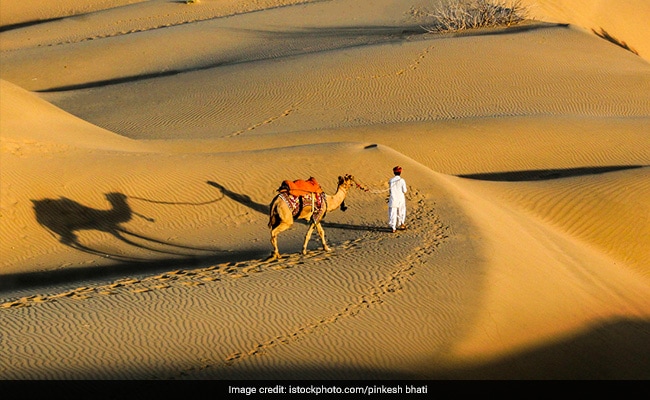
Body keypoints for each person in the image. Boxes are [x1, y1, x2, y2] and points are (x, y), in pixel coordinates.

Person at [388, 166, 407, 233]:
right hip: (400, 199)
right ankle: (401, 224)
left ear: (394, 172)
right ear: (400, 172)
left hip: (393, 198)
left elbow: (390, 191)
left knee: (393, 213)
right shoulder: (402, 180)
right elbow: (404, 190)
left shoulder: (391, 180)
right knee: (401, 211)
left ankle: (393, 228)